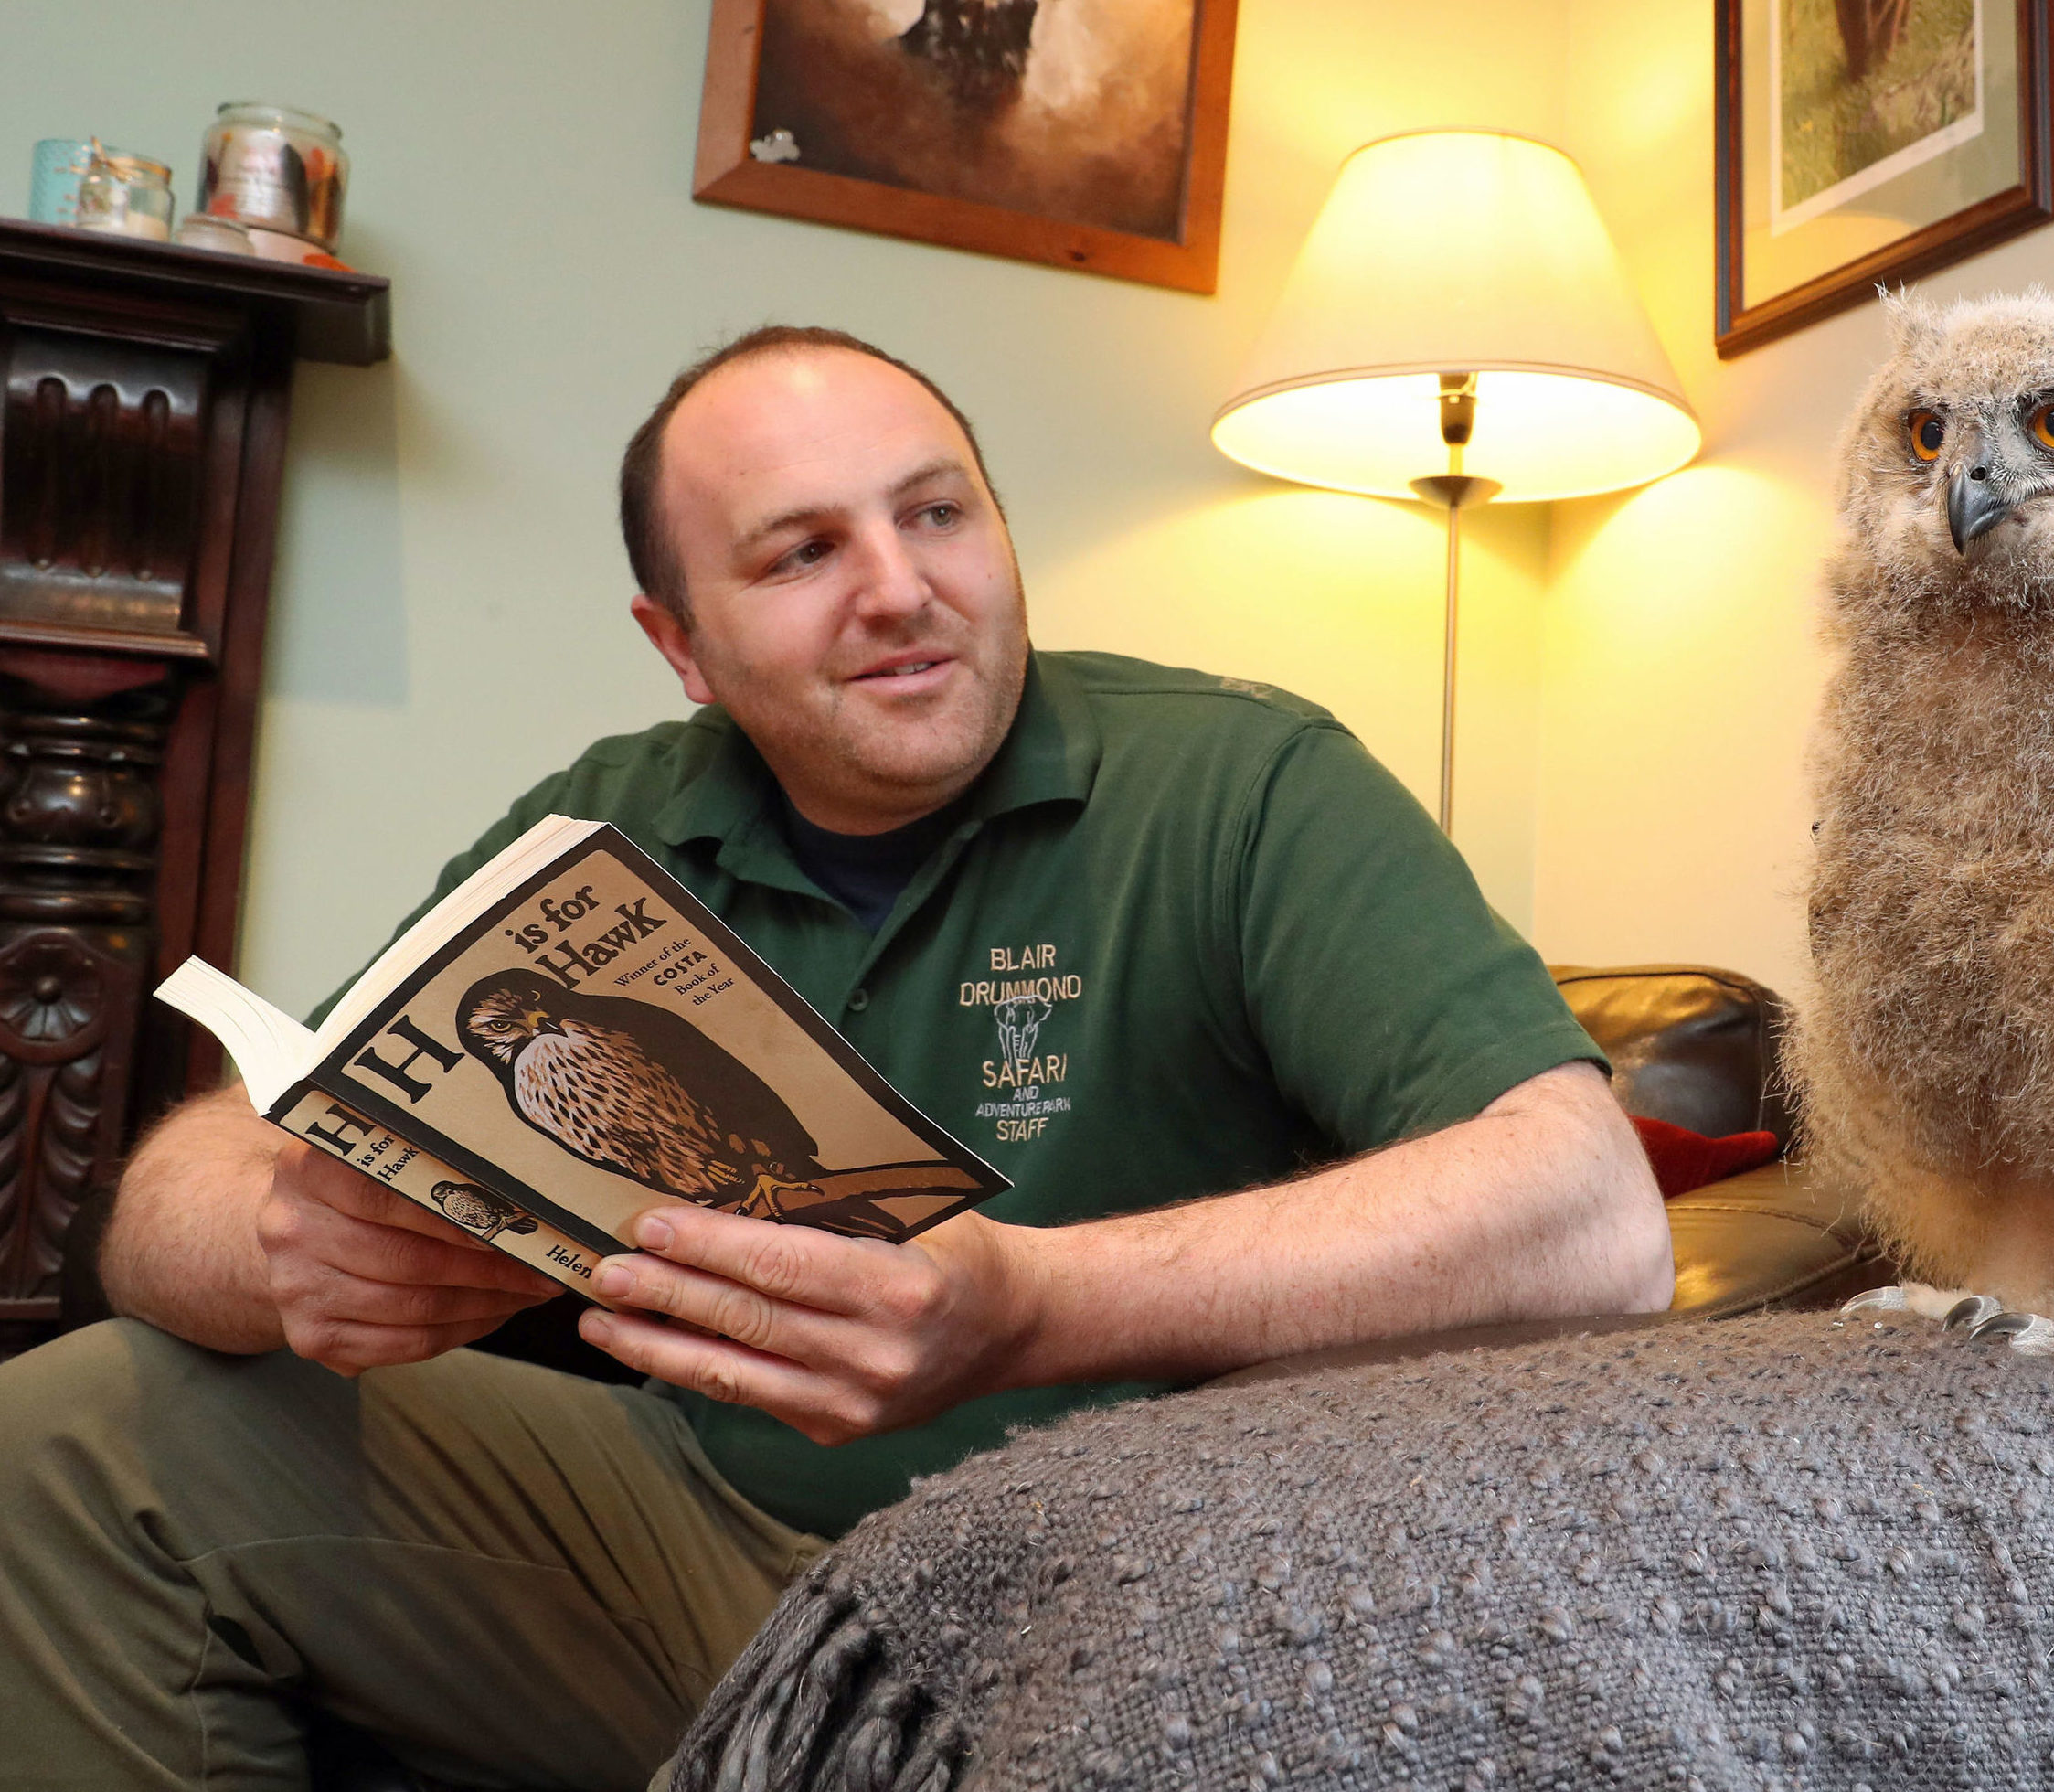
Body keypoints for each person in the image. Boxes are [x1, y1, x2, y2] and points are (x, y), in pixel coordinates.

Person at [0, 326, 1670, 1790]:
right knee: (72, 1433)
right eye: (801, 553)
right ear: (681, 645)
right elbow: (200, 1169)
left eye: (937, 512)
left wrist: (1033, 1303)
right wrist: (286, 1251)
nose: (898, 586)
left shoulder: (1245, 782)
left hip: (1123, 1578)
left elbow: (1597, 1216)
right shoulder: (616, 816)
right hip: (696, 1528)